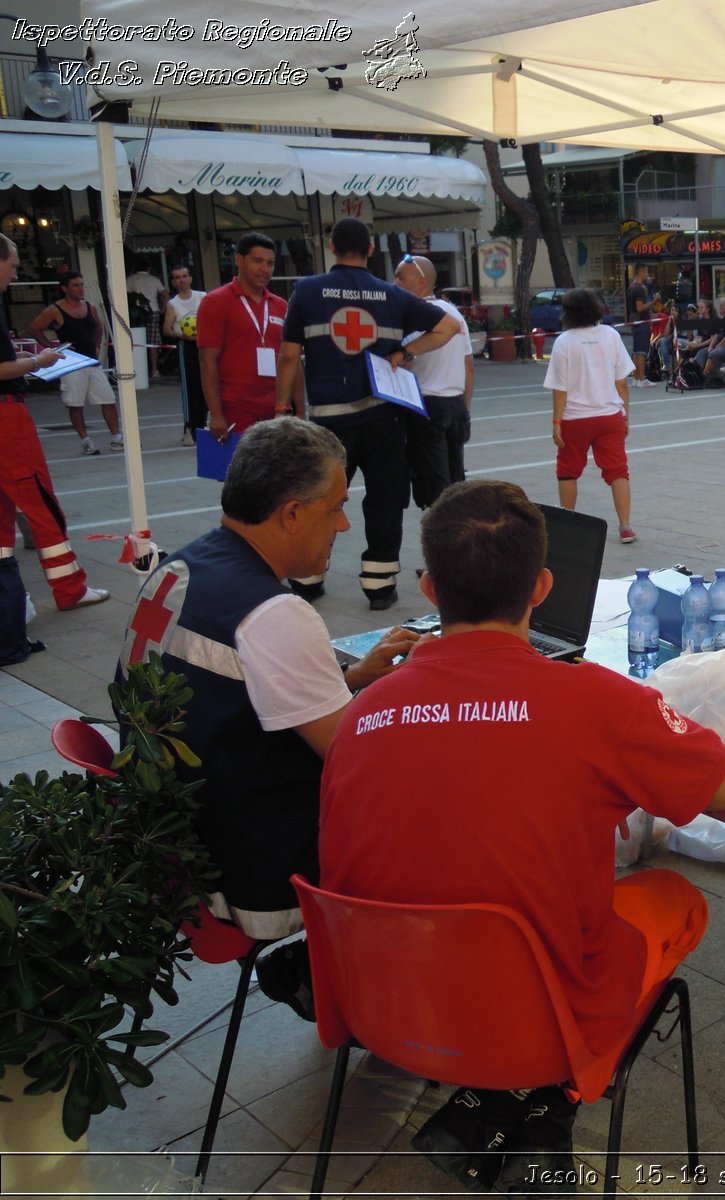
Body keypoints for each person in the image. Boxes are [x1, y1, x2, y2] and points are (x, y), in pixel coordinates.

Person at [320, 479, 725, 1192]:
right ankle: (541, 1093)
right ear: (543, 587)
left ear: (429, 588)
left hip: (384, 1007)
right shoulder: (596, 702)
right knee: (676, 896)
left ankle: (505, 1098)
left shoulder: (361, 712)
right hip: (534, 1021)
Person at [116, 418, 419, 950]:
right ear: (293, 514)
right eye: (337, 508)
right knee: (435, 813)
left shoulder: (176, 568)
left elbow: (228, 700)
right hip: (256, 865)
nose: (344, 526)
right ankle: (352, 980)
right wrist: (429, 695)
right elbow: (359, 760)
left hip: (178, 837)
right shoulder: (275, 613)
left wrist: (348, 680)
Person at [276, 217, 457, 609]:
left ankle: (308, 577)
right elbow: (449, 328)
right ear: (371, 249)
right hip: (381, 419)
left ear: (331, 246)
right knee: (385, 498)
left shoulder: (306, 291)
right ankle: (379, 586)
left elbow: (290, 354)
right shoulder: (391, 295)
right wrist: (404, 352)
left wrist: (282, 407)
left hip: (326, 422)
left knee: (317, 498)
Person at [0, 234, 108, 617]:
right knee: (40, 503)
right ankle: (69, 589)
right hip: (6, 416)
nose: (15, 275)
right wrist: (38, 362)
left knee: (3, 513)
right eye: (13, 267)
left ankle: (9, 592)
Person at [546, 289, 637, 545]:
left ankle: (568, 525)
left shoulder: (564, 342)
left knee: (567, 471)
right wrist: (626, 415)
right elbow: (622, 383)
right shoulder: (611, 335)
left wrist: (556, 422)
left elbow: (560, 388)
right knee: (618, 471)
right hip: (610, 415)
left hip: (575, 418)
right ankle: (626, 526)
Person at [197, 232, 294, 444]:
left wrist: (298, 414)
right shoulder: (215, 302)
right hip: (236, 410)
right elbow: (207, 362)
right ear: (239, 260)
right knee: (241, 476)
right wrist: (216, 414)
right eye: (257, 261)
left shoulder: (280, 305)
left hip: (276, 412)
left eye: (270, 263)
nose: (265, 269)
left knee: (278, 476)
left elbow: (292, 361)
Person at [395, 254, 474, 506]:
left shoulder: (419, 315)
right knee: (455, 481)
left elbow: (402, 363)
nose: (395, 282)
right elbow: (468, 366)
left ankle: (441, 538)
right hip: (454, 404)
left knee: (434, 487)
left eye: (400, 277)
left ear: (420, 282)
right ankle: (458, 533)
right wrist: (464, 408)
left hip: (427, 406)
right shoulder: (454, 314)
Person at [27, 271, 122, 456]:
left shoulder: (89, 307)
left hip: (91, 362)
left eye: (81, 285)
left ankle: (117, 437)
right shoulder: (55, 310)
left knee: (108, 399)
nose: (80, 289)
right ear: (65, 289)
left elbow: (98, 326)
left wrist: (96, 346)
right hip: (71, 363)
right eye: (76, 285)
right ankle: (85, 440)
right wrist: (52, 348)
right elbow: (34, 328)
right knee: (75, 403)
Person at [162, 265, 207, 446]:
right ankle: (189, 428)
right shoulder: (174, 304)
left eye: (184, 276)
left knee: (208, 384)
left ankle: (204, 425)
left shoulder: (203, 297)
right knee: (190, 388)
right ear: (173, 282)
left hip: (204, 345)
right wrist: (183, 335)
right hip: (186, 346)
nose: (181, 280)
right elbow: (167, 329)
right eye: (177, 277)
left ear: (190, 278)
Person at [125, 259, 165, 377]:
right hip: (153, 311)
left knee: (135, 340)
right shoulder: (154, 280)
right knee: (152, 341)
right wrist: (163, 309)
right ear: (148, 269)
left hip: (135, 313)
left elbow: (124, 294)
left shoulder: (130, 279)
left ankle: (135, 367)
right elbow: (165, 295)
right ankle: (154, 369)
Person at [624, 263, 655, 389]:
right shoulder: (639, 289)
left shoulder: (631, 287)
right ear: (641, 272)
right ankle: (642, 378)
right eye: (646, 272)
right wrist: (653, 302)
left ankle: (636, 378)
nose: (647, 275)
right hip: (641, 321)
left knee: (637, 350)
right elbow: (640, 307)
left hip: (634, 320)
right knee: (642, 350)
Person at [696, 296, 725, 380]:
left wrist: (717, 346)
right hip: (720, 345)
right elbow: (717, 335)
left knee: (713, 354)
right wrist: (711, 346)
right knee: (702, 352)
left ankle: (704, 377)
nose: (719, 307)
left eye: (721, 305)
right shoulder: (724, 319)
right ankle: (696, 374)